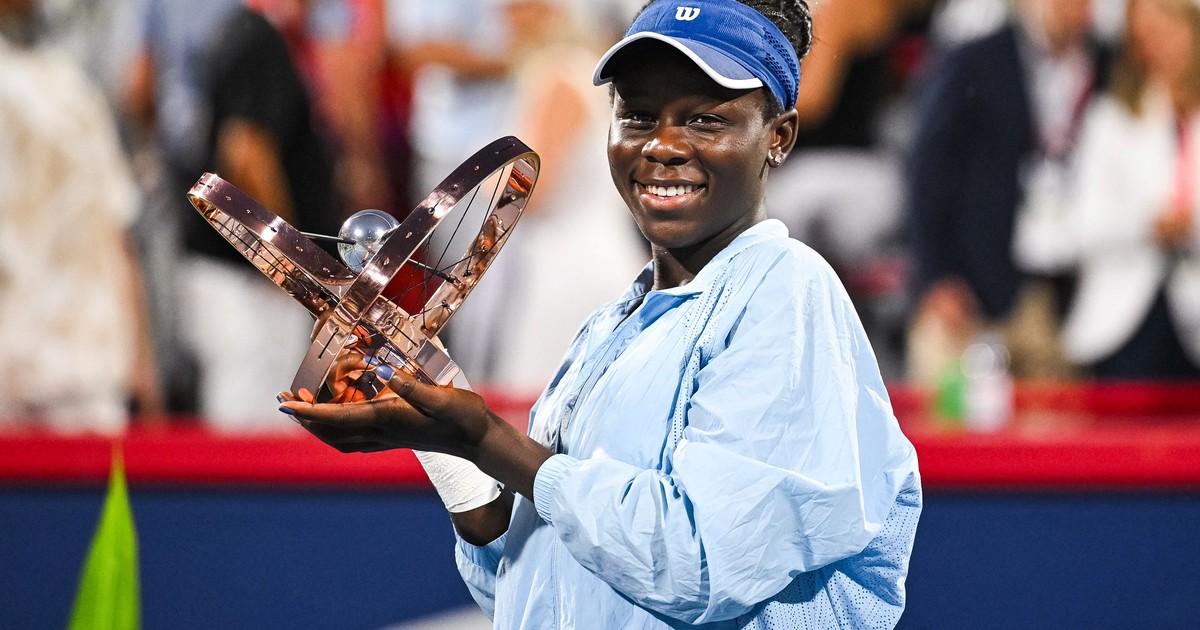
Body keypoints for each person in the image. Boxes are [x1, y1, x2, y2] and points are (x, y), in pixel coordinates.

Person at [281, 0, 921, 627]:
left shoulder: (788, 290)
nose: (663, 146)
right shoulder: (609, 326)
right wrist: (441, 438)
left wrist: (485, 438)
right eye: (638, 116)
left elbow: (699, 562)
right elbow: (528, 583)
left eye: (704, 120)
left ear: (777, 137)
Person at [446, 0, 649, 396]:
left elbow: (533, 191)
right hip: (580, 259)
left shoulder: (558, 74)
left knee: (546, 413)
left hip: (568, 273)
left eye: (524, 9)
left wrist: (476, 179)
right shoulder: (582, 73)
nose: (508, 21)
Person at [905, 0, 1106, 385]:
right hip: (975, 285)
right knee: (953, 426)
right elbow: (929, 172)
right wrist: (937, 274)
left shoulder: (1107, 64)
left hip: (1062, 293)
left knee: (1058, 436)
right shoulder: (977, 61)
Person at [0, 0, 162, 432]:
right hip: (47, 375)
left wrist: (142, 368)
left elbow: (116, 233)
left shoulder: (70, 88)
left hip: (81, 376)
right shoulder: (71, 90)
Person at [1055, 0, 1200, 379]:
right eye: (1147, 36)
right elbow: (1083, 225)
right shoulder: (1111, 120)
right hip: (1126, 322)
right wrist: (1150, 226)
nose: (1160, 45)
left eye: (1169, 29)